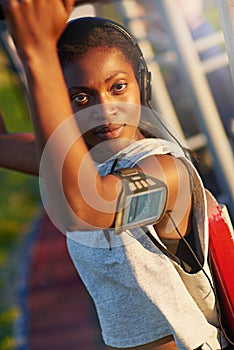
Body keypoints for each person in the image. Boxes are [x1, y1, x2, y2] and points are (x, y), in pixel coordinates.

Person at [0, 1, 231, 349]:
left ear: (142, 85)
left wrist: (38, 54)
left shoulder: (167, 174)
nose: (105, 110)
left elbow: (86, 206)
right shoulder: (87, 163)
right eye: (81, 97)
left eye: (118, 87)